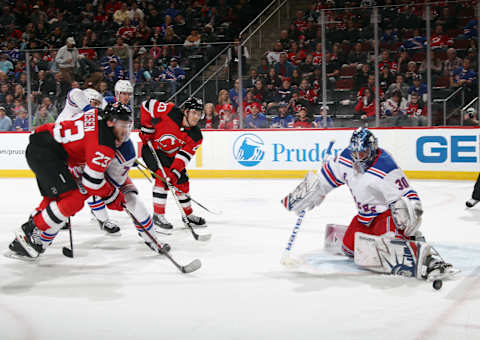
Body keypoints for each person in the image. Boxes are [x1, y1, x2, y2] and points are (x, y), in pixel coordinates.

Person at [282, 128, 454, 280]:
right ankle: (385, 239)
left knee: (389, 248)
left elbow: (407, 195)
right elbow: (323, 180)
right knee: (349, 249)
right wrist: (308, 194)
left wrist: (410, 218)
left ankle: (425, 255)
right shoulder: (345, 158)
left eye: (362, 153)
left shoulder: (385, 166)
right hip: (364, 217)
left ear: (371, 150)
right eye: (355, 153)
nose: (357, 158)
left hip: (385, 215)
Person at [7, 103, 168, 259]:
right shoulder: (104, 144)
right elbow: (92, 183)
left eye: (128, 125)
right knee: (73, 201)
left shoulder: (99, 116)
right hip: (48, 153)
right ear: (110, 122)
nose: (125, 131)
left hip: (47, 145)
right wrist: (113, 196)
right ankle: (31, 229)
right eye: (121, 125)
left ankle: (35, 240)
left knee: (58, 201)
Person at [140, 97, 206, 230]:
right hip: (152, 149)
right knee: (162, 177)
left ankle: (188, 215)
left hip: (171, 156)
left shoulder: (196, 136)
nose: (196, 117)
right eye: (194, 113)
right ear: (185, 112)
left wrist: (175, 173)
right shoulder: (170, 111)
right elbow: (146, 105)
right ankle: (158, 215)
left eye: (199, 114)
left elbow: (183, 156)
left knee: (182, 181)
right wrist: (147, 129)